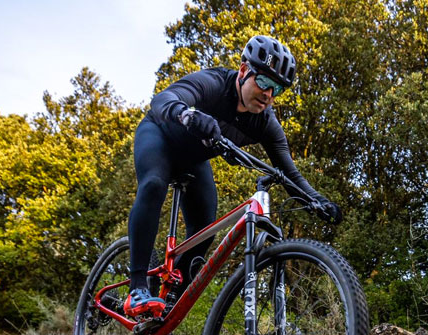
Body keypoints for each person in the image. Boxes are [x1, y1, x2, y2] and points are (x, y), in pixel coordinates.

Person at [124, 35, 342, 318]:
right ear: (243, 71)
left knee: (206, 228)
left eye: (277, 89)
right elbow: (163, 99)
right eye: (263, 82)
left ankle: (168, 305)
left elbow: (289, 172)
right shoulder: (214, 84)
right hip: (159, 137)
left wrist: (316, 200)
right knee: (153, 185)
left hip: (193, 161)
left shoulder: (265, 123)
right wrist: (187, 114)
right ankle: (138, 285)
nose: (268, 94)